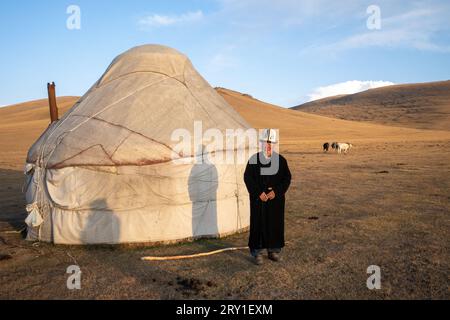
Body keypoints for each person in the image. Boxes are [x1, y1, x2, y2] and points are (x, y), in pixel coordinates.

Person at [244, 129, 292, 265]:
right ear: (261, 144)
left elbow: (287, 178)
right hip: (259, 200)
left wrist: (276, 191)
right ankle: (257, 253)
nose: (268, 146)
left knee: (274, 224)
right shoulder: (254, 160)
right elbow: (247, 178)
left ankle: (273, 251)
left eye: (271, 143)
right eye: (265, 143)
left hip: (275, 200)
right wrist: (258, 192)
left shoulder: (281, 161)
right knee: (258, 224)